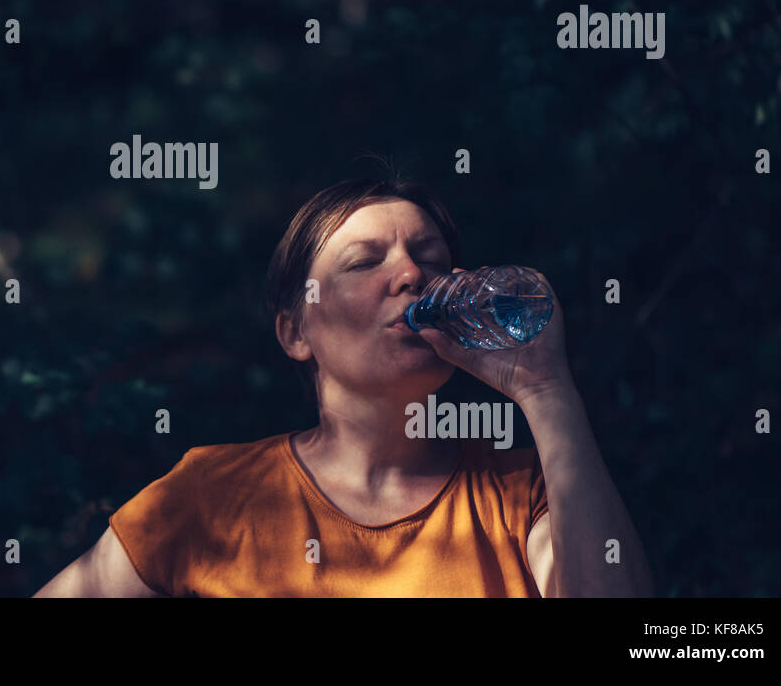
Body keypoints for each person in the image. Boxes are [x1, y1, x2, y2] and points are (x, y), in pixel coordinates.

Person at [34, 168, 653, 597]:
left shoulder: (522, 495)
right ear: (296, 333)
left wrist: (547, 391)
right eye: (364, 262)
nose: (411, 274)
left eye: (431, 259)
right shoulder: (213, 495)